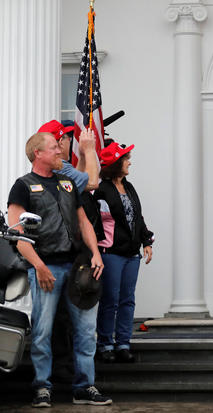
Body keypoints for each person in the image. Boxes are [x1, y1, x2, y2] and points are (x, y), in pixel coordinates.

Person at [7, 132, 112, 407]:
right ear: (37, 153)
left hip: (77, 268)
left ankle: (84, 387)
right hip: (46, 270)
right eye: (54, 148)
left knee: (86, 331)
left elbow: (84, 222)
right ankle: (42, 387)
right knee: (42, 331)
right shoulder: (23, 186)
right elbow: (17, 235)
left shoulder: (67, 183)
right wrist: (39, 266)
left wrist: (96, 253)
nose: (60, 152)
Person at [36, 121, 100, 383]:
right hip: (52, 262)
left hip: (74, 258)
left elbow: (82, 190)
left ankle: (79, 381)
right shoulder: (46, 177)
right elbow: (93, 182)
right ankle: (55, 377)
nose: (64, 147)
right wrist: (88, 149)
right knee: (53, 326)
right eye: (62, 141)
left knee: (78, 325)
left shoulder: (65, 174)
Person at [94, 142, 154, 363]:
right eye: (126, 158)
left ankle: (123, 343)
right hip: (111, 253)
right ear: (115, 163)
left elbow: (137, 217)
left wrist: (146, 241)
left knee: (127, 300)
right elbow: (98, 223)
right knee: (110, 299)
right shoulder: (101, 190)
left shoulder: (129, 187)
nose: (129, 161)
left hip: (131, 255)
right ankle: (105, 344)